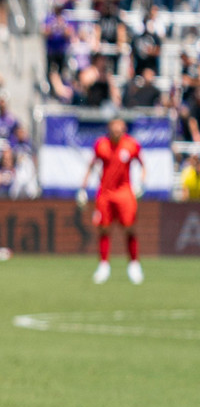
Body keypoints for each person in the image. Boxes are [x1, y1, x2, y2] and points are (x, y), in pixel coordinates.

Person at [77, 118, 145, 284]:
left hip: (125, 193)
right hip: (105, 194)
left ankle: (134, 265)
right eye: (114, 128)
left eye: (120, 128)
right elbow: (92, 165)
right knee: (104, 228)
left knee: (129, 227)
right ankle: (104, 265)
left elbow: (143, 166)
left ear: (124, 129)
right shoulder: (101, 144)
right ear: (109, 129)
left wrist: (140, 184)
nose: (117, 131)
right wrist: (83, 188)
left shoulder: (131, 145)